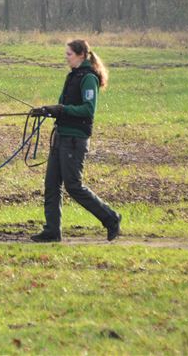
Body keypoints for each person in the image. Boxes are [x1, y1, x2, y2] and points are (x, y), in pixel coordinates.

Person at [29, 39, 121, 242]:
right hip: (61, 137)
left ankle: (111, 217)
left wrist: (61, 110)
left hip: (75, 140)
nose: (66, 57)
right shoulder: (72, 76)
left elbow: (88, 109)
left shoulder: (89, 78)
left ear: (81, 55)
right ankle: (52, 231)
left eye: (69, 54)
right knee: (52, 185)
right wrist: (48, 110)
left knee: (73, 186)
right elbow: (65, 105)